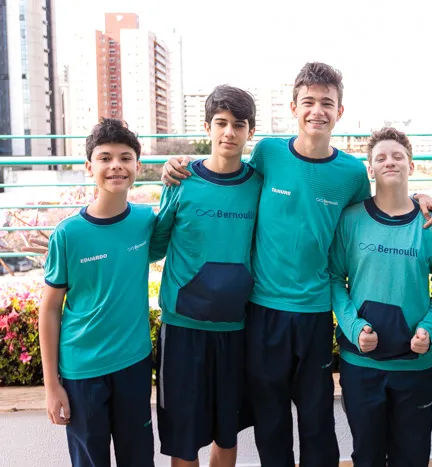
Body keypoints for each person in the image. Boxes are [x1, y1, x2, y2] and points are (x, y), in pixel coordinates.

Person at [160, 62, 432, 466]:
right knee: (271, 421)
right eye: (308, 101)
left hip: (314, 312)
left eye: (327, 103)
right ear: (293, 107)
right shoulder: (268, 152)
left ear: (339, 112)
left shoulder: (351, 173)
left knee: (316, 422)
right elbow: (226, 172)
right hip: (263, 311)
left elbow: (378, 210)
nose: (317, 110)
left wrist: (420, 198)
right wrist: (178, 166)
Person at [151, 85, 262, 466]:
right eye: (221, 123)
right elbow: (155, 245)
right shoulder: (181, 180)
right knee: (183, 440)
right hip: (183, 329)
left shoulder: (258, 184)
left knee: (226, 433)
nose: (229, 132)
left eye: (239, 125)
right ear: (207, 128)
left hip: (235, 329)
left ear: (250, 132)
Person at [39, 118, 155, 466]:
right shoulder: (68, 234)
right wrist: (51, 385)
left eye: (125, 157)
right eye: (105, 158)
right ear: (89, 167)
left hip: (134, 363)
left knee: (139, 458)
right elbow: (50, 309)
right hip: (82, 372)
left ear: (138, 166)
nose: (116, 165)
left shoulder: (146, 221)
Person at [330, 127, 432, 467]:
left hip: (414, 365)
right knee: (366, 456)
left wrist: (430, 329)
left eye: (398, 156)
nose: (390, 162)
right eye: (380, 158)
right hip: (361, 365)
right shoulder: (351, 219)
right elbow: (334, 280)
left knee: (412, 457)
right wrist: (354, 327)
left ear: (411, 165)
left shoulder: (430, 223)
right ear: (370, 169)